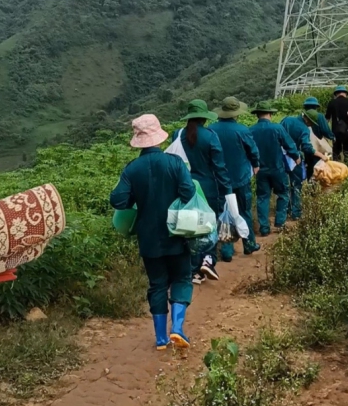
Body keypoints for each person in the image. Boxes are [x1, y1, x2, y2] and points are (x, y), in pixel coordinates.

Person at [110, 114, 196, 350]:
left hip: (148, 238)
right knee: (181, 278)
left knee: (157, 284)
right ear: (159, 137)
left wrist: (137, 201)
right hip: (177, 233)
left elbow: (117, 200)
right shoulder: (175, 163)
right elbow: (188, 192)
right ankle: (177, 329)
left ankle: (160, 338)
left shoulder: (132, 169)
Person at [171, 100, 232, 285]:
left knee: (189, 228)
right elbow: (220, 168)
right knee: (208, 227)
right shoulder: (210, 136)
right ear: (204, 118)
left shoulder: (177, 134)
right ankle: (207, 261)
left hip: (185, 188)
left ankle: (190, 268)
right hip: (208, 189)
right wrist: (227, 192)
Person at [210, 97, 261, 260]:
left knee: (224, 212)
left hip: (219, 179)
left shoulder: (211, 130)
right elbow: (253, 151)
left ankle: (226, 251)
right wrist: (256, 164)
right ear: (236, 113)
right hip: (240, 177)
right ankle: (249, 243)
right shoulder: (242, 130)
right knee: (244, 210)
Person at [250, 102, 301, 235]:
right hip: (277, 168)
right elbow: (289, 144)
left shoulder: (251, 130)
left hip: (260, 170)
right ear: (270, 114)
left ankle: (264, 228)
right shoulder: (277, 128)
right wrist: (296, 156)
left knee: (262, 197)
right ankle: (280, 223)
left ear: (257, 115)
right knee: (283, 194)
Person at [280, 111, 328, 221]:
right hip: (294, 158)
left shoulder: (286, 119)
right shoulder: (304, 129)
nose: (311, 125)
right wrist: (321, 155)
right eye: (311, 123)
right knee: (296, 185)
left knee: (285, 185)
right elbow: (307, 147)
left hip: (280, 157)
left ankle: (286, 210)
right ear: (307, 119)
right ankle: (296, 213)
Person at [325, 86, 348, 161]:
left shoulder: (332, 102)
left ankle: (337, 168)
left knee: (336, 152)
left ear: (336, 94)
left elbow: (327, 118)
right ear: (346, 94)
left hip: (336, 131)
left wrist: (325, 132)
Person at [303, 97, 334, 179]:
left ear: (305, 107)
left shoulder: (302, 116)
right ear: (316, 107)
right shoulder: (319, 116)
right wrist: (332, 137)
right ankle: (317, 182)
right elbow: (325, 130)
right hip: (317, 147)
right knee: (317, 164)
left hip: (304, 145)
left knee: (308, 165)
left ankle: (308, 181)